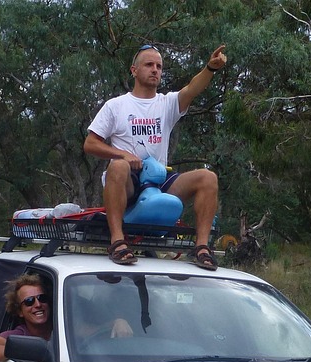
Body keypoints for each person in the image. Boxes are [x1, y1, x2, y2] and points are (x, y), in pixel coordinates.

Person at [84, 43, 228, 270]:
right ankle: (117, 242)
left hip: (158, 181)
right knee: (118, 167)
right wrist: (122, 155)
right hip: (128, 183)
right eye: (149, 65)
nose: (155, 70)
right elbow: (90, 143)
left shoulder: (167, 103)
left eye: (159, 66)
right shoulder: (116, 106)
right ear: (134, 70)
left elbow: (192, 89)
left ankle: (201, 248)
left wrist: (210, 68)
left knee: (207, 178)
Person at [0, 273, 53, 362]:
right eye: (29, 301)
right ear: (20, 311)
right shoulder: (19, 335)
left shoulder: (64, 327)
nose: (38, 305)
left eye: (42, 298)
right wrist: (22, 351)